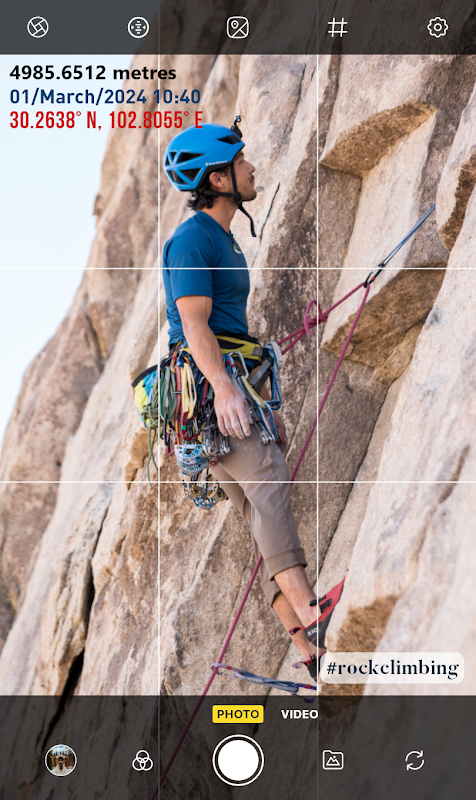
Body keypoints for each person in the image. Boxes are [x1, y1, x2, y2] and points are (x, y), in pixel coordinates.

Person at [162, 119, 321, 677]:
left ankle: (309, 651)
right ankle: (314, 616)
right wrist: (225, 388)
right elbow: (193, 322)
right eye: (240, 162)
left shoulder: (221, 238)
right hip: (214, 388)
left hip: (224, 382)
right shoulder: (193, 239)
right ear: (217, 178)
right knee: (269, 486)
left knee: (258, 511)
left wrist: (255, 389)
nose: (251, 168)